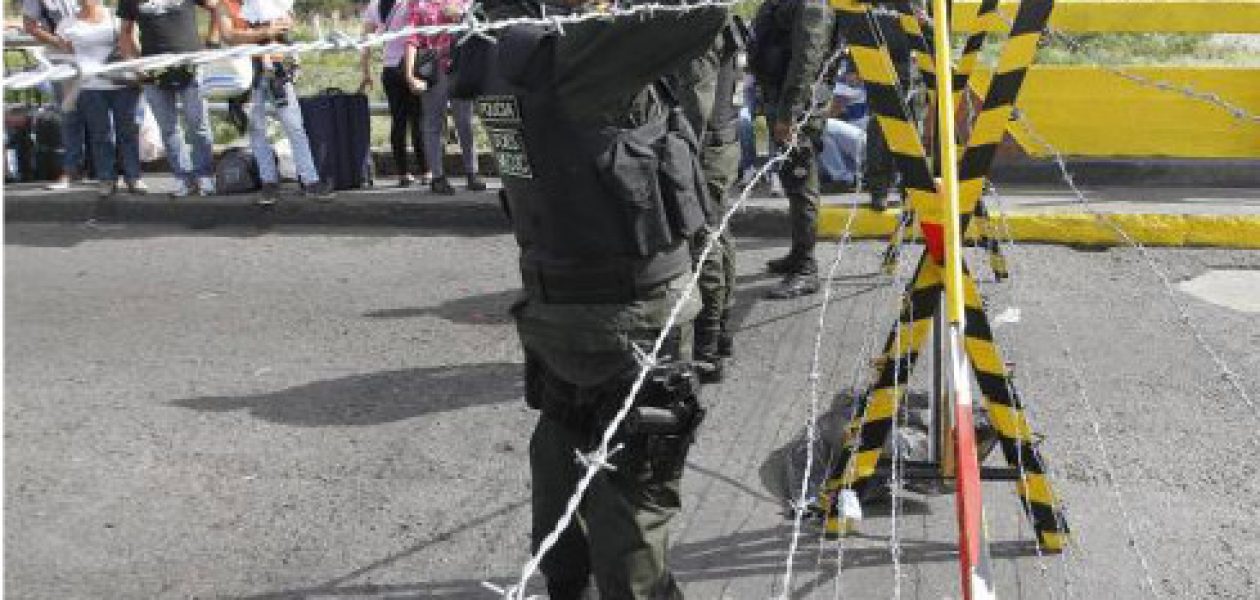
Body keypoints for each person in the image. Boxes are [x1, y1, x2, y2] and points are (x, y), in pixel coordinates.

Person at [460, 0, 727, 596]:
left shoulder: (494, 41)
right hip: (630, 314)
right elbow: (706, 14)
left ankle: (566, 582)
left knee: (561, 453)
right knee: (633, 492)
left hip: (556, 306)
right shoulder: (576, 54)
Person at [664, 16, 746, 382]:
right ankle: (721, 328)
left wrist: (678, 160)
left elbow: (695, 105)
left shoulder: (697, 23)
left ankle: (707, 348)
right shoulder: (713, 15)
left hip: (705, 148)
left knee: (704, 240)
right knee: (718, 235)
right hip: (721, 141)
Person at [749, 0, 837, 299]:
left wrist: (790, 112)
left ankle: (806, 270)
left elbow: (807, 60)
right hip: (779, 99)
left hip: (797, 106)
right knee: (791, 180)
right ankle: (798, 256)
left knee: (801, 185)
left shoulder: (813, 5)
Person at [216, 0, 334, 203]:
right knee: (256, 130)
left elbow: (287, 22)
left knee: (294, 126)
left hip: (277, 68)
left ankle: (310, 180)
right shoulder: (225, 5)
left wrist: (283, 24)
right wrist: (265, 32)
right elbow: (228, 35)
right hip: (245, 73)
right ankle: (268, 181)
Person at [117, 0, 218, 197]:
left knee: (197, 123)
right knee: (168, 128)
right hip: (153, 70)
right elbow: (125, 33)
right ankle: (183, 178)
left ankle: (205, 175)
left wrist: (212, 42)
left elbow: (216, 7)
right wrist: (136, 65)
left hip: (191, 66)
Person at [61, 0, 147, 197]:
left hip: (122, 82)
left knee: (127, 131)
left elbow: (131, 41)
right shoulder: (67, 23)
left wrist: (139, 72)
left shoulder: (115, 17)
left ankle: (134, 177)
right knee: (100, 135)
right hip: (90, 86)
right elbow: (68, 54)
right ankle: (106, 179)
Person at [403, 0, 485, 194]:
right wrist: (409, 75)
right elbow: (412, 39)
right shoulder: (418, 4)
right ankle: (438, 177)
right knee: (433, 123)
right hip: (434, 69)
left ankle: (472, 173)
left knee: (464, 121)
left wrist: (462, 15)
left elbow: (481, 23)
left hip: (460, 66)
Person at [360, 0, 431, 188]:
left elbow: (365, 42)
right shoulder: (410, 3)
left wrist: (366, 72)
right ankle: (426, 171)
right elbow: (416, 36)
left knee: (398, 121)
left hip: (389, 70)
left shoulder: (374, 6)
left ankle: (402, 173)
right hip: (412, 66)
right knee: (418, 121)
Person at [22, 0, 89, 189]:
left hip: (93, 53)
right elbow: (30, 26)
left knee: (98, 113)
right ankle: (71, 170)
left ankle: (102, 170)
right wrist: (60, 43)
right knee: (69, 115)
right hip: (62, 58)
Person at [863, 4, 918, 211]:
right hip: (877, 67)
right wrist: (853, 63)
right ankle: (879, 191)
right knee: (879, 132)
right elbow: (855, 24)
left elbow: (932, 30)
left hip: (910, 73)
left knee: (910, 135)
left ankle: (911, 192)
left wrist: (924, 24)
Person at [818, 59, 867, 190]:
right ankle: (852, 175)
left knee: (820, 126)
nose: (848, 75)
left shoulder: (848, 83)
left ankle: (843, 179)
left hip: (864, 145)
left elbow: (831, 112)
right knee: (819, 169)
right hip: (859, 145)